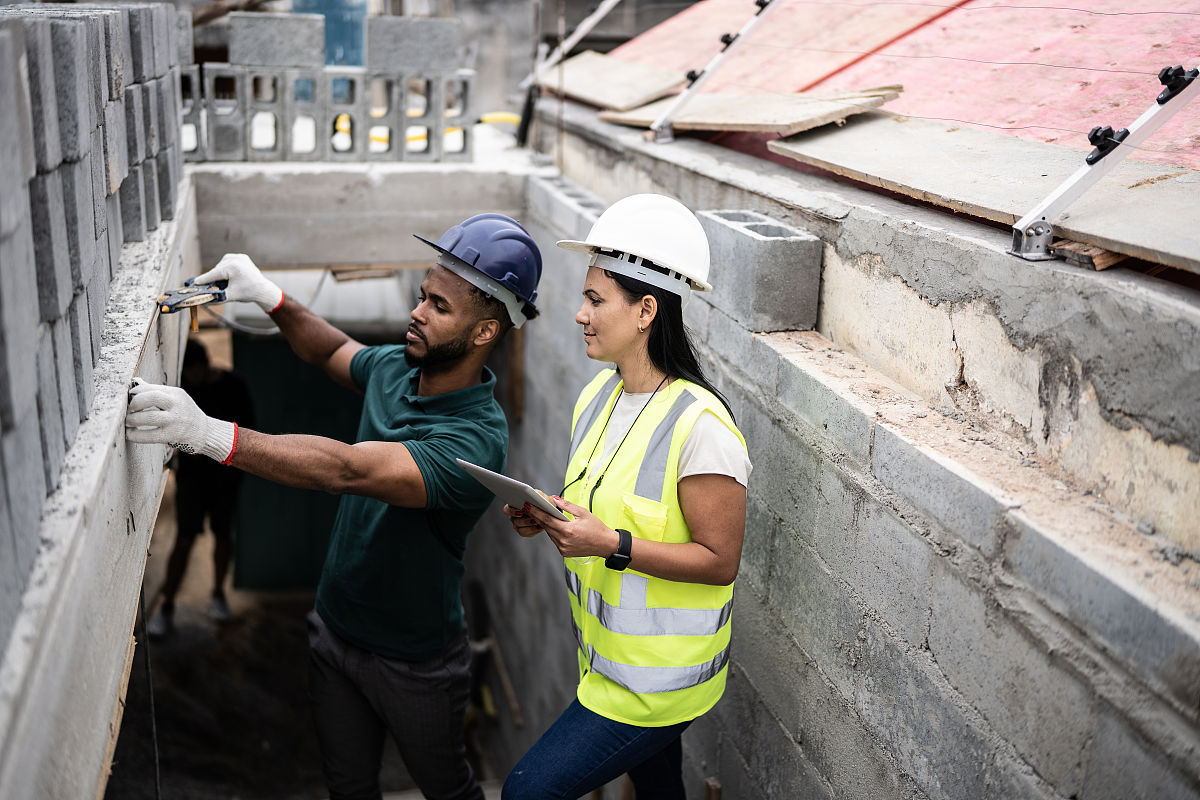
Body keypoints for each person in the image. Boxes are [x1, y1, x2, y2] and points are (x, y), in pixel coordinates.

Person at [125, 213, 544, 800]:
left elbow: (347, 470)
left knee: (446, 787)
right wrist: (269, 297)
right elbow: (331, 351)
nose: (418, 312)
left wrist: (209, 434)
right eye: (423, 295)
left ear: (484, 333)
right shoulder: (399, 367)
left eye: (439, 307)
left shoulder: (475, 438)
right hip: (335, 632)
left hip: (416, 661)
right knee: (347, 787)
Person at [500, 194, 751, 799]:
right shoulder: (597, 396)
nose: (578, 314)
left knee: (526, 791)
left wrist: (609, 543)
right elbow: (598, 505)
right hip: (604, 663)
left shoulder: (702, 427)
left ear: (646, 311)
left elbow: (720, 562)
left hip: (658, 686)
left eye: (594, 299)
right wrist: (550, 516)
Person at [147, 338, 255, 638]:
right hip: (192, 479)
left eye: (191, 371)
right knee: (184, 540)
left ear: (203, 365)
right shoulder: (185, 388)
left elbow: (248, 430)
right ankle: (167, 607)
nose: (188, 378)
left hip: (225, 477)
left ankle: (218, 594)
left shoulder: (234, 385)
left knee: (222, 535)